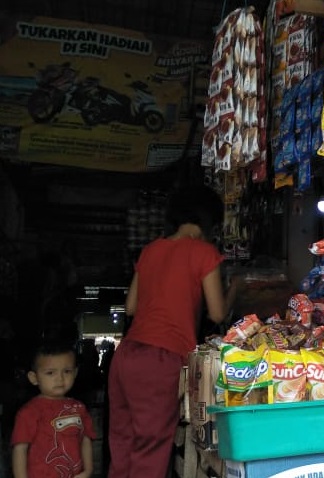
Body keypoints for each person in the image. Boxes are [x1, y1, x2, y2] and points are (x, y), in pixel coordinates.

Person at [107, 184, 238, 478]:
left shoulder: (151, 249)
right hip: (161, 359)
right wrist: (235, 289)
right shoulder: (205, 252)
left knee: (123, 441)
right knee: (150, 450)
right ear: (210, 223)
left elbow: (129, 307)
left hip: (126, 356)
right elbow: (217, 313)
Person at [11, 341, 95, 478]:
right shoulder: (29, 412)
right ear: (34, 378)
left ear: (75, 373)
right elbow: (20, 449)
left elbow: (86, 439)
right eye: (50, 373)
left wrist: (87, 471)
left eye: (67, 371)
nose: (60, 379)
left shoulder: (79, 408)